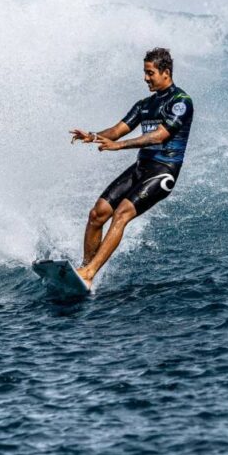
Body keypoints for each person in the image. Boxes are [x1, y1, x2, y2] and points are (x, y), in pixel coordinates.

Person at [69, 47, 194, 287]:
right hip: (141, 167)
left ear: (165, 72)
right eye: (145, 73)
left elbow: (159, 136)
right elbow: (117, 131)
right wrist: (92, 136)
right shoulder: (144, 105)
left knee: (121, 214)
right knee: (98, 213)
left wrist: (120, 146)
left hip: (163, 170)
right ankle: (84, 270)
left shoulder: (181, 102)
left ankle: (90, 272)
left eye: (150, 73)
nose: (146, 78)